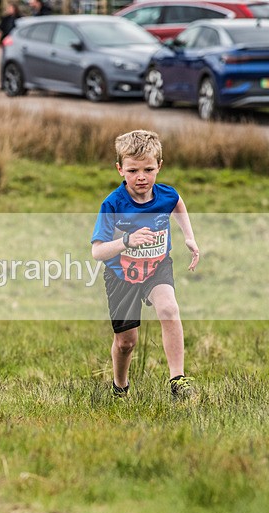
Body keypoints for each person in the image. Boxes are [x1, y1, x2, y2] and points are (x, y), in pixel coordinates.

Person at [91, 130, 200, 400]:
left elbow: (178, 204)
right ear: (120, 170)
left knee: (169, 308)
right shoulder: (112, 204)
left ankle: (178, 379)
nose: (141, 177)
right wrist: (127, 242)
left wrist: (189, 237)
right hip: (121, 276)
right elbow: (97, 252)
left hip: (157, 267)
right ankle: (120, 386)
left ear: (159, 167)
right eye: (133, 170)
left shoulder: (166, 195)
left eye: (149, 169)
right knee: (126, 342)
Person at [0, 2, 20, 91]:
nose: (9, 10)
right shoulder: (5, 19)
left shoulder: (20, 18)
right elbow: (0, 31)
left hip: (16, 44)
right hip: (6, 44)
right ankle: (3, 84)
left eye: (11, 8)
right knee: (4, 63)